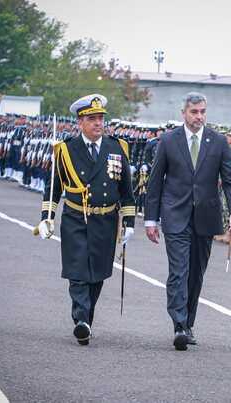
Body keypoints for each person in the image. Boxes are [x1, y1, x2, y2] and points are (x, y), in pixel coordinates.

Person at [144, 92, 231, 351]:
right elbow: (155, 183)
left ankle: (188, 323)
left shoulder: (218, 142)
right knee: (179, 271)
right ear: (184, 113)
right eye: (194, 112)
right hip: (175, 215)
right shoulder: (167, 141)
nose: (199, 117)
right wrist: (150, 220)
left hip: (205, 218)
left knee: (196, 274)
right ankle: (178, 325)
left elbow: (230, 181)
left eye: (202, 112)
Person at [36, 94, 136, 345]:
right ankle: (80, 319)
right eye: (92, 119)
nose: (98, 124)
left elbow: (126, 190)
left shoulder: (117, 147)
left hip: (106, 221)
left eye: (101, 118)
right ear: (80, 122)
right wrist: (47, 217)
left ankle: (86, 320)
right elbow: (53, 187)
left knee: (98, 274)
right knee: (78, 270)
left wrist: (129, 223)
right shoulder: (66, 150)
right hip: (76, 219)